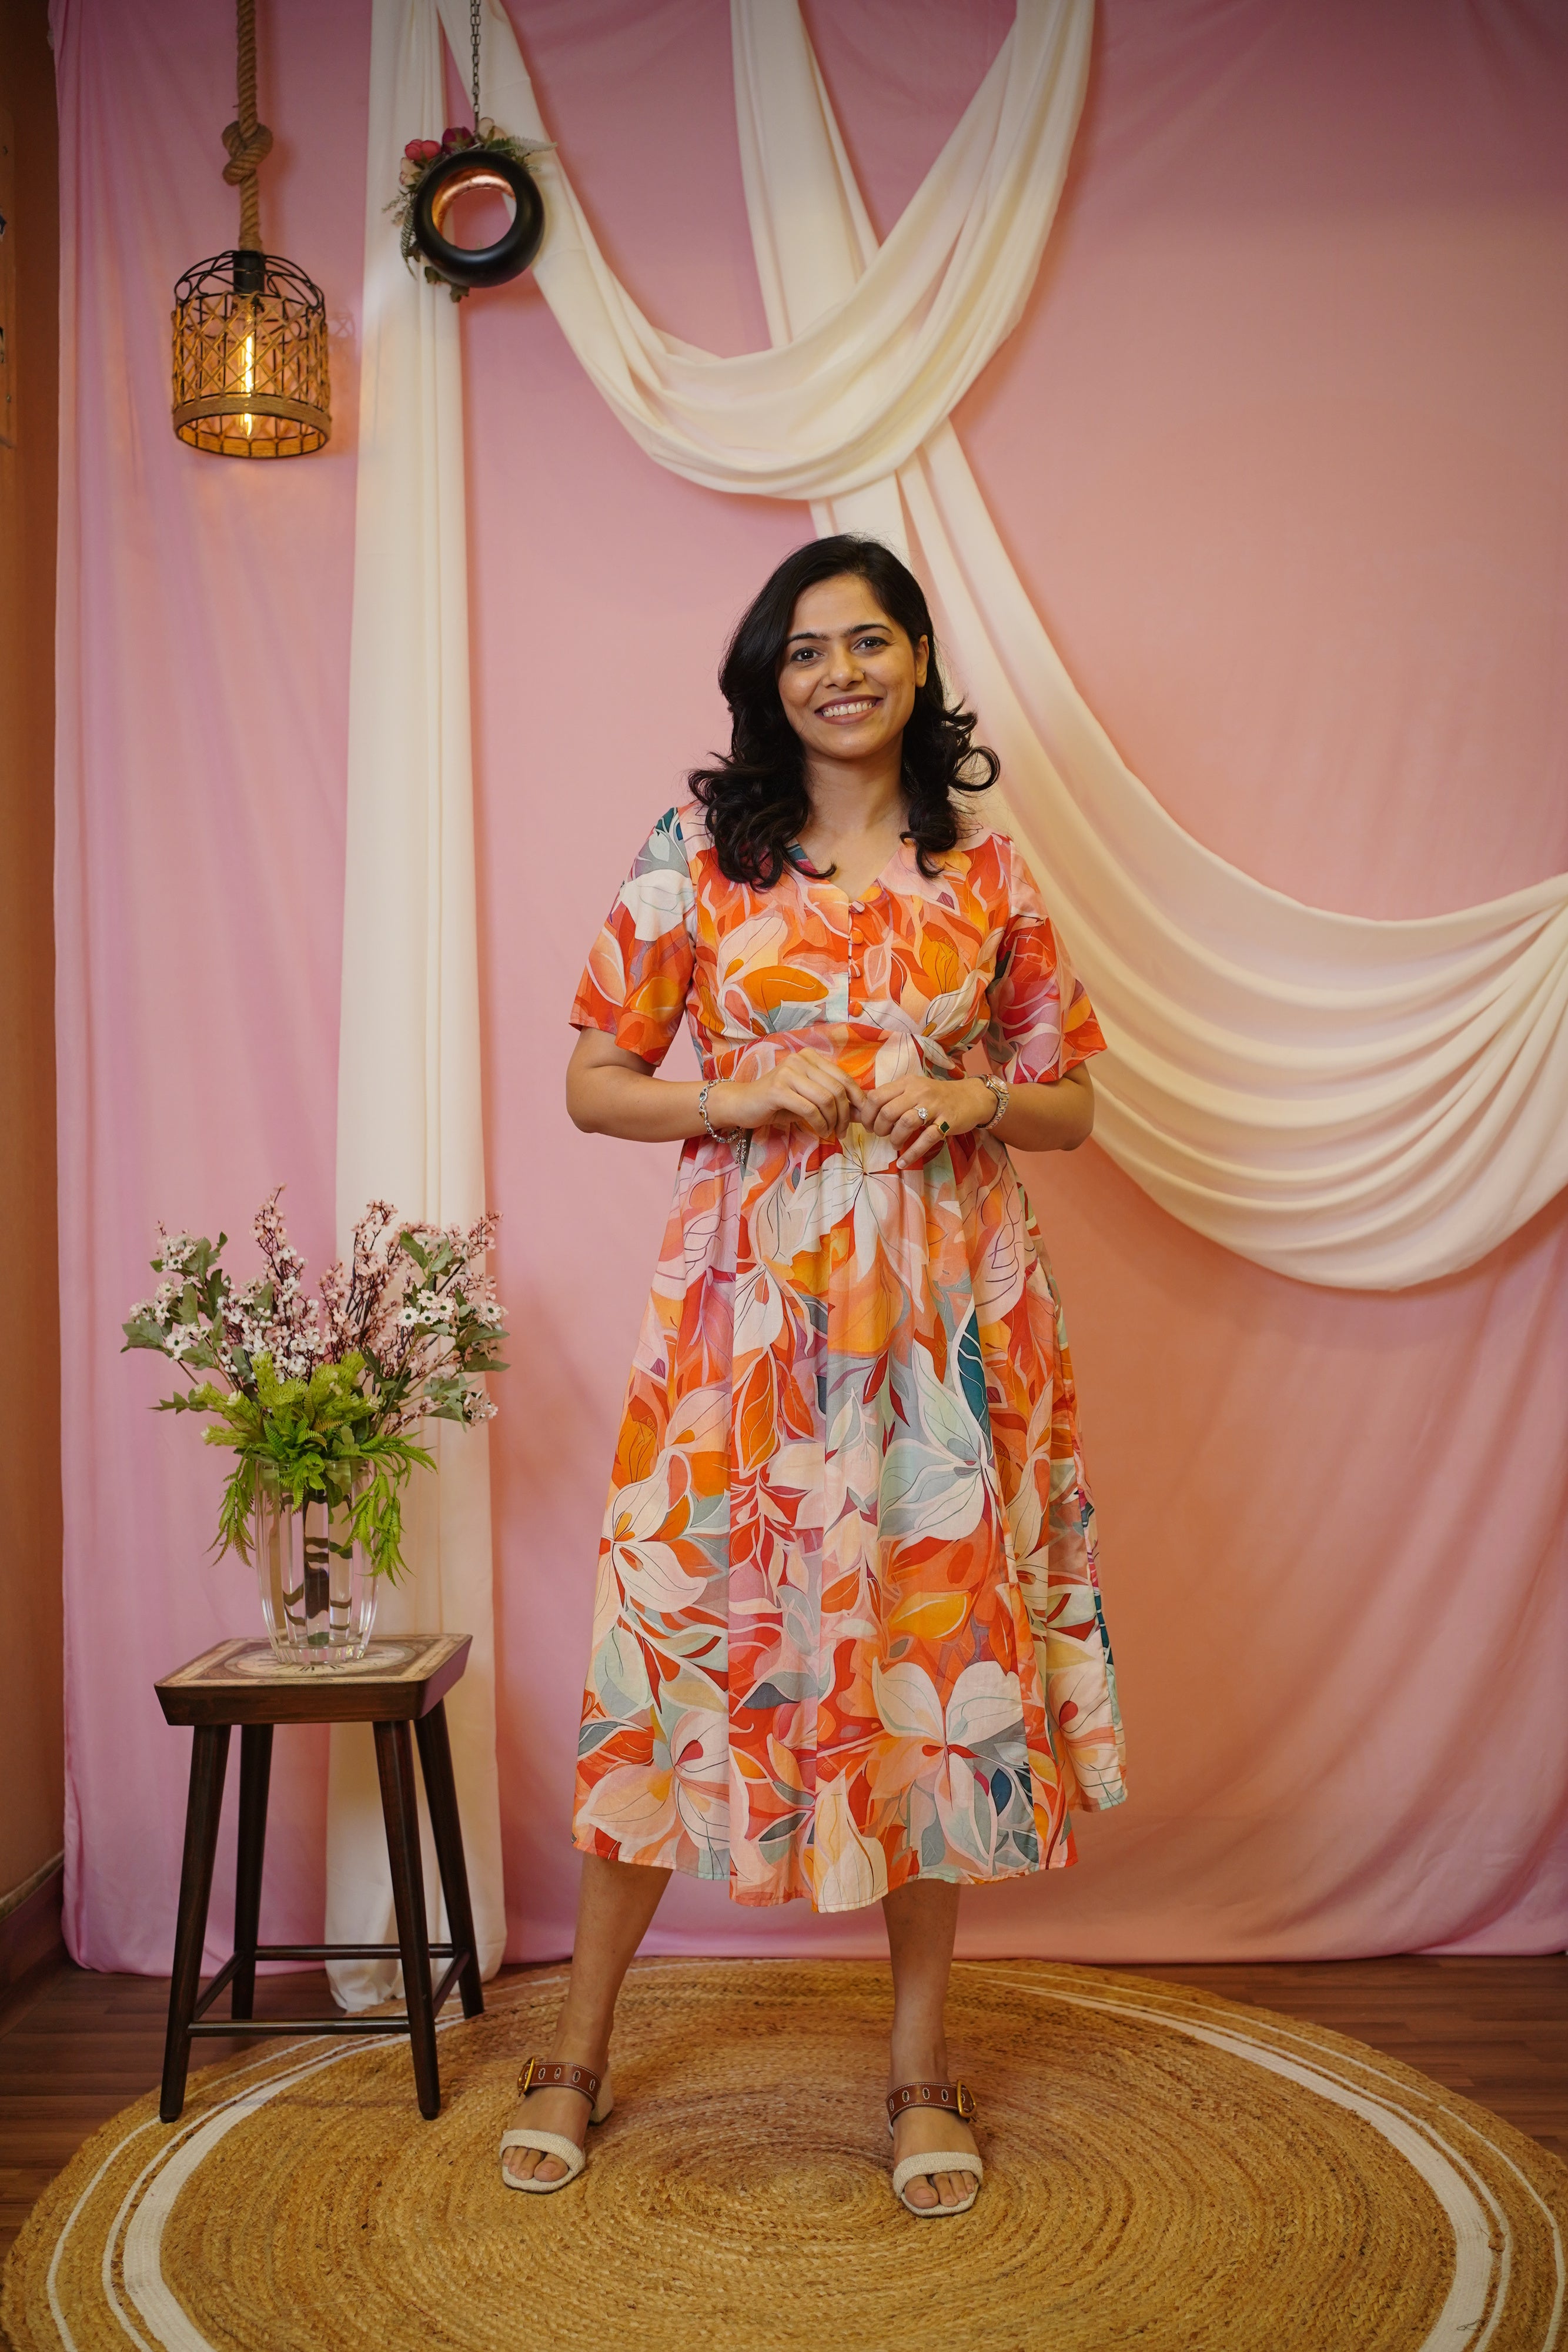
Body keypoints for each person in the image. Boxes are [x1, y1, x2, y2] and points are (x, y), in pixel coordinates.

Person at [499, 536, 1126, 2216]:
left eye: (868, 641)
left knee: (934, 1667)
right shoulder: (697, 853)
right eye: (802, 648)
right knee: (675, 1646)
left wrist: (984, 1102)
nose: (836, 670)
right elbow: (588, 1080)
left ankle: (922, 2073)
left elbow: (1072, 1097)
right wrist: (738, 1090)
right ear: (766, 680)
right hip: (740, 1324)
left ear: (918, 663)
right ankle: (576, 2048)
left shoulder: (985, 878)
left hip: (943, 1323)